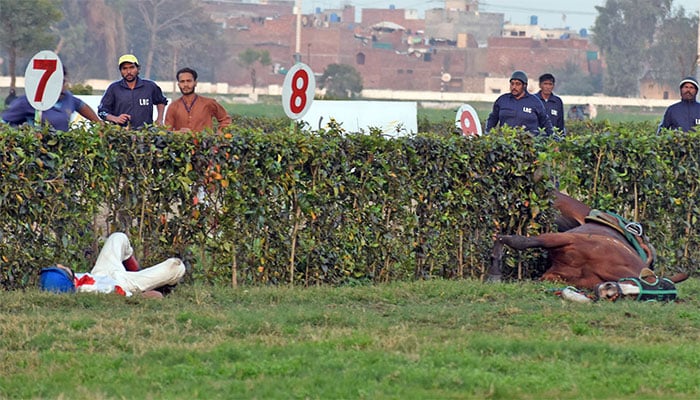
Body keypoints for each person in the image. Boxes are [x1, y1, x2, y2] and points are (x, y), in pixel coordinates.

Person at [39, 232, 185, 298]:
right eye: (61, 269)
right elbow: (147, 297)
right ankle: (147, 279)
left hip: (101, 273)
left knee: (118, 237)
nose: (60, 264)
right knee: (176, 266)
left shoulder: (73, 283)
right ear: (65, 281)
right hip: (122, 283)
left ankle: (138, 271)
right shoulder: (97, 291)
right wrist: (151, 291)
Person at [1, 69, 100, 131]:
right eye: (60, 82)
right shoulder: (28, 102)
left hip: (61, 154)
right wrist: (23, 132)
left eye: (64, 81)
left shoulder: (67, 97)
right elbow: (3, 123)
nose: (64, 85)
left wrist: (100, 125)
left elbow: (81, 105)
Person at [98, 54, 168, 130]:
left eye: (132, 67)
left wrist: (160, 119)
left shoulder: (149, 86)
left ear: (138, 69)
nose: (128, 71)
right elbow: (102, 112)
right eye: (124, 68)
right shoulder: (114, 88)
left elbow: (161, 101)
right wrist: (115, 118)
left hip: (145, 135)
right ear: (120, 71)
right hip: (120, 135)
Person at [485, 70, 553, 137]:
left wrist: (553, 139)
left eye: (518, 84)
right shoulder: (502, 100)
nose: (514, 87)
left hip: (529, 144)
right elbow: (492, 119)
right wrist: (488, 134)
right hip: (506, 142)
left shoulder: (535, 102)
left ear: (525, 85)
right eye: (512, 83)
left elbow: (545, 122)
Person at [165, 67, 231, 133]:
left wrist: (220, 133)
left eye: (189, 81)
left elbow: (225, 120)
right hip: (181, 142)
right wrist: (179, 132)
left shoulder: (208, 103)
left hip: (205, 142)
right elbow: (166, 132)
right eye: (182, 81)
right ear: (178, 85)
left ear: (195, 83)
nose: (185, 85)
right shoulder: (173, 107)